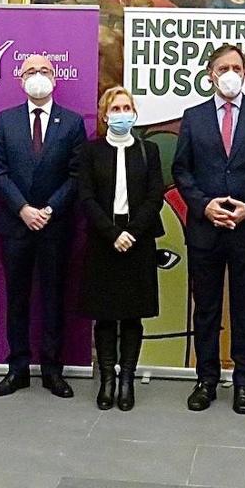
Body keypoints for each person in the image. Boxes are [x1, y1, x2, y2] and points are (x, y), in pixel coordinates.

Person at [173, 44, 245, 414]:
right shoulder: (192, 116)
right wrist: (204, 205)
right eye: (223, 67)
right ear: (210, 74)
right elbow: (182, 170)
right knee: (205, 308)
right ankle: (206, 380)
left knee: (244, 309)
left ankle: (243, 383)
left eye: (237, 67)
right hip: (206, 229)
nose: (230, 73)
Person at [0, 54, 87, 398]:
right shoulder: (6, 120)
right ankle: (17, 369)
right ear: (20, 79)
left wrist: (48, 210)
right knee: (17, 299)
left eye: (44, 70)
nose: (38, 76)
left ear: (55, 77)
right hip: (16, 226)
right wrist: (24, 210)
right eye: (31, 71)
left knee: (53, 298)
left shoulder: (72, 123)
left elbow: (76, 175)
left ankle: (52, 370)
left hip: (55, 226)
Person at [77, 87, 165, 411]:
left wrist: (131, 232)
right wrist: (113, 233)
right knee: (104, 317)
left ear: (134, 113)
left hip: (138, 241)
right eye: (115, 107)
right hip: (103, 240)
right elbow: (85, 197)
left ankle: (127, 379)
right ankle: (107, 380)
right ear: (104, 114)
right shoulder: (90, 152)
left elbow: (156, 195)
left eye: (127, 107)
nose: (121, 113)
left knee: (132, 316)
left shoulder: (149, 150)